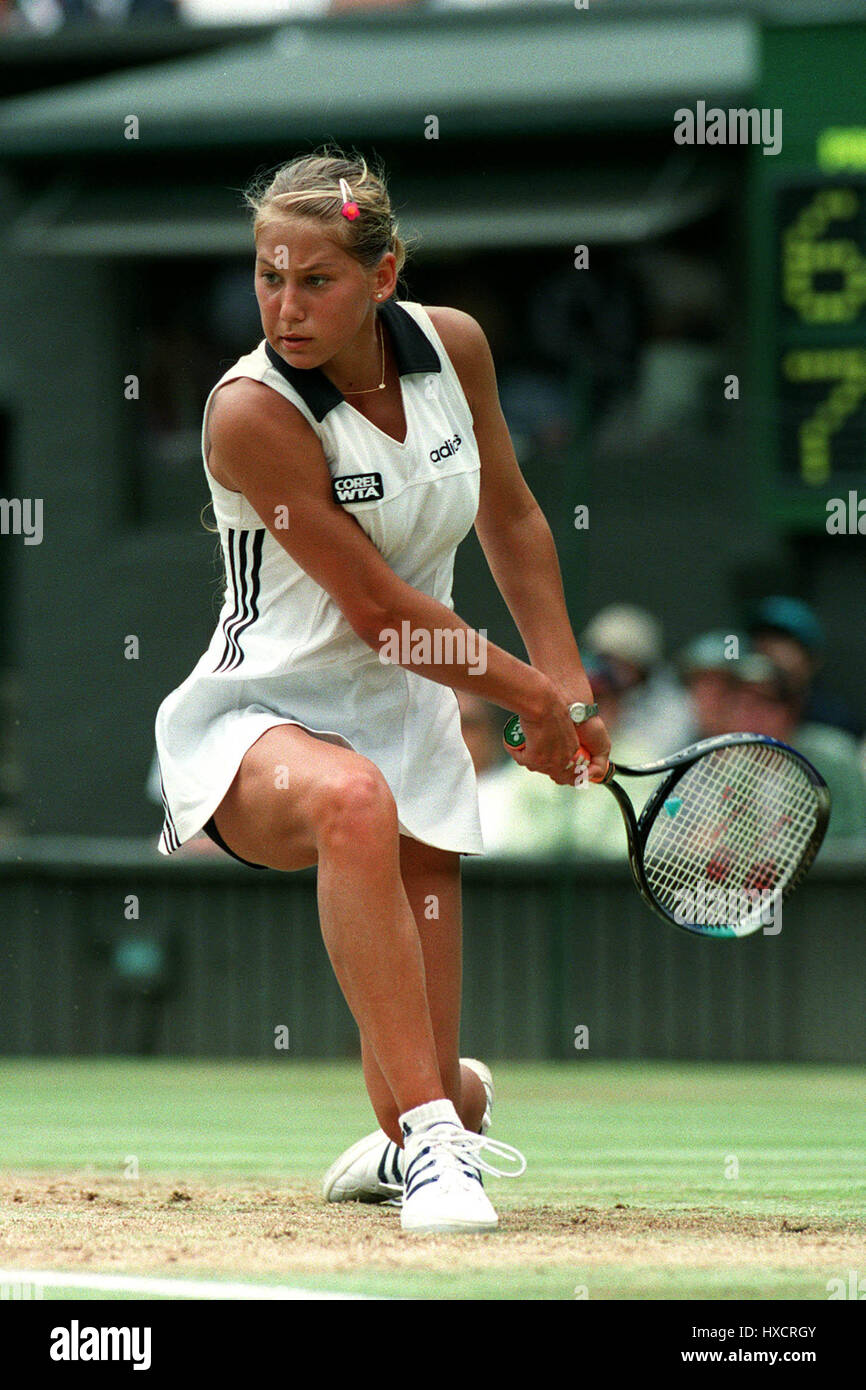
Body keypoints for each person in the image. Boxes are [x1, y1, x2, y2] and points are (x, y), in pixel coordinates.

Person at [153, 149, 611, 1234]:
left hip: (410, 723)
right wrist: (525, 699)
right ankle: (440, 1156)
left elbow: (510, 517)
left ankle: (434, 1118)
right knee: (351, 798)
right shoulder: (247, 412)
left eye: (314, 280)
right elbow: (381, 615)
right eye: (268, 277)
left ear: (383, 274)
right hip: (257, 723)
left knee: (425, 1090)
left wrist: (569, 687)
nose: (284, 305)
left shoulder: (455, 349)